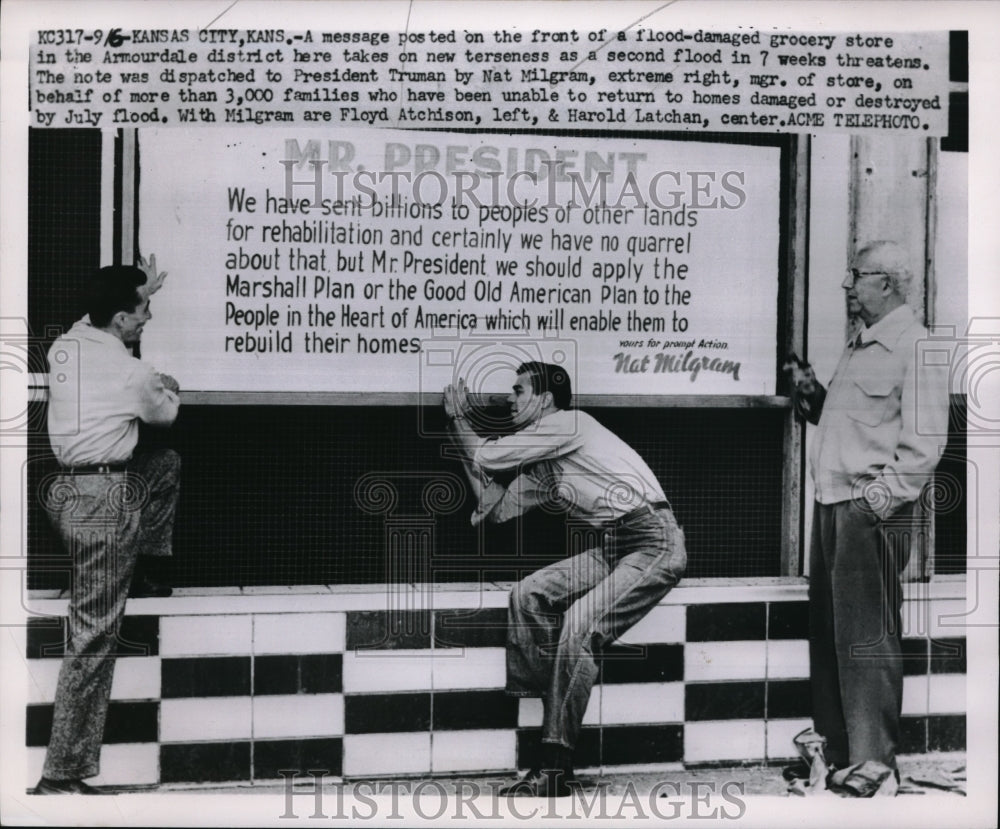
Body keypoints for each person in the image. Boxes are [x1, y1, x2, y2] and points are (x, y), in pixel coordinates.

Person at [444, 362, 686, 797]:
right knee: (528, 595)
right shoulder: (549, 464)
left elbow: (488, 454)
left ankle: (554, 766)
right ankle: (556, 716)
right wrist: (458, 437)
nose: (509, 399)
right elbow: (493, 506)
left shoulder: (568, 423)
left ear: (546, 399)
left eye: (518, 391)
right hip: (615, 546)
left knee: (579, 627)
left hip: (653, 542)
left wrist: (459, 419)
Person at [786, 241, 949, 794]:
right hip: (832, 502)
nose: (848, 285)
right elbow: (860, 427)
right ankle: (836, 756)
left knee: (866, 638)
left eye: (857, 275)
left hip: (867, 509)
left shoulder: (917, 346)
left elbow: (924, 446)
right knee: (830, 632)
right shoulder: (861, 344)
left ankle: (874, 764)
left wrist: (875, 503)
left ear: (889, 283)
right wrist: (812, 396)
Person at [34, 256, 181, 795]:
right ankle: (60, 773)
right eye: (142, 311)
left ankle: (142, 570)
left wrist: (143, 288)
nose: (147, 319)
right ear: (120, 320)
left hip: (65, 493)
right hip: (104, 505)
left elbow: (108, 316)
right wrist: (170, 384)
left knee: (163, 467)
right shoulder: (131, 371)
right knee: (93, 638)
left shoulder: (66, 345)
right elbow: (164, 412)